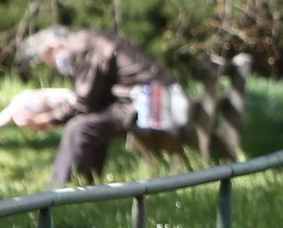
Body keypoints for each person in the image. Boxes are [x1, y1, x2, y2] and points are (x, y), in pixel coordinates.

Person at [15, 26, 183, 187]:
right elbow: (93, 100)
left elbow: (84, 102)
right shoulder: (89, 40)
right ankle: (87, 187)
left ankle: (59, 192)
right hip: (155, 98)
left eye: (50, 61)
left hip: (153, 104)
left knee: (80, 127)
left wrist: (45, 119)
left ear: (53, 47)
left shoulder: (81, 46)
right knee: (90, 122)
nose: (55, 66)